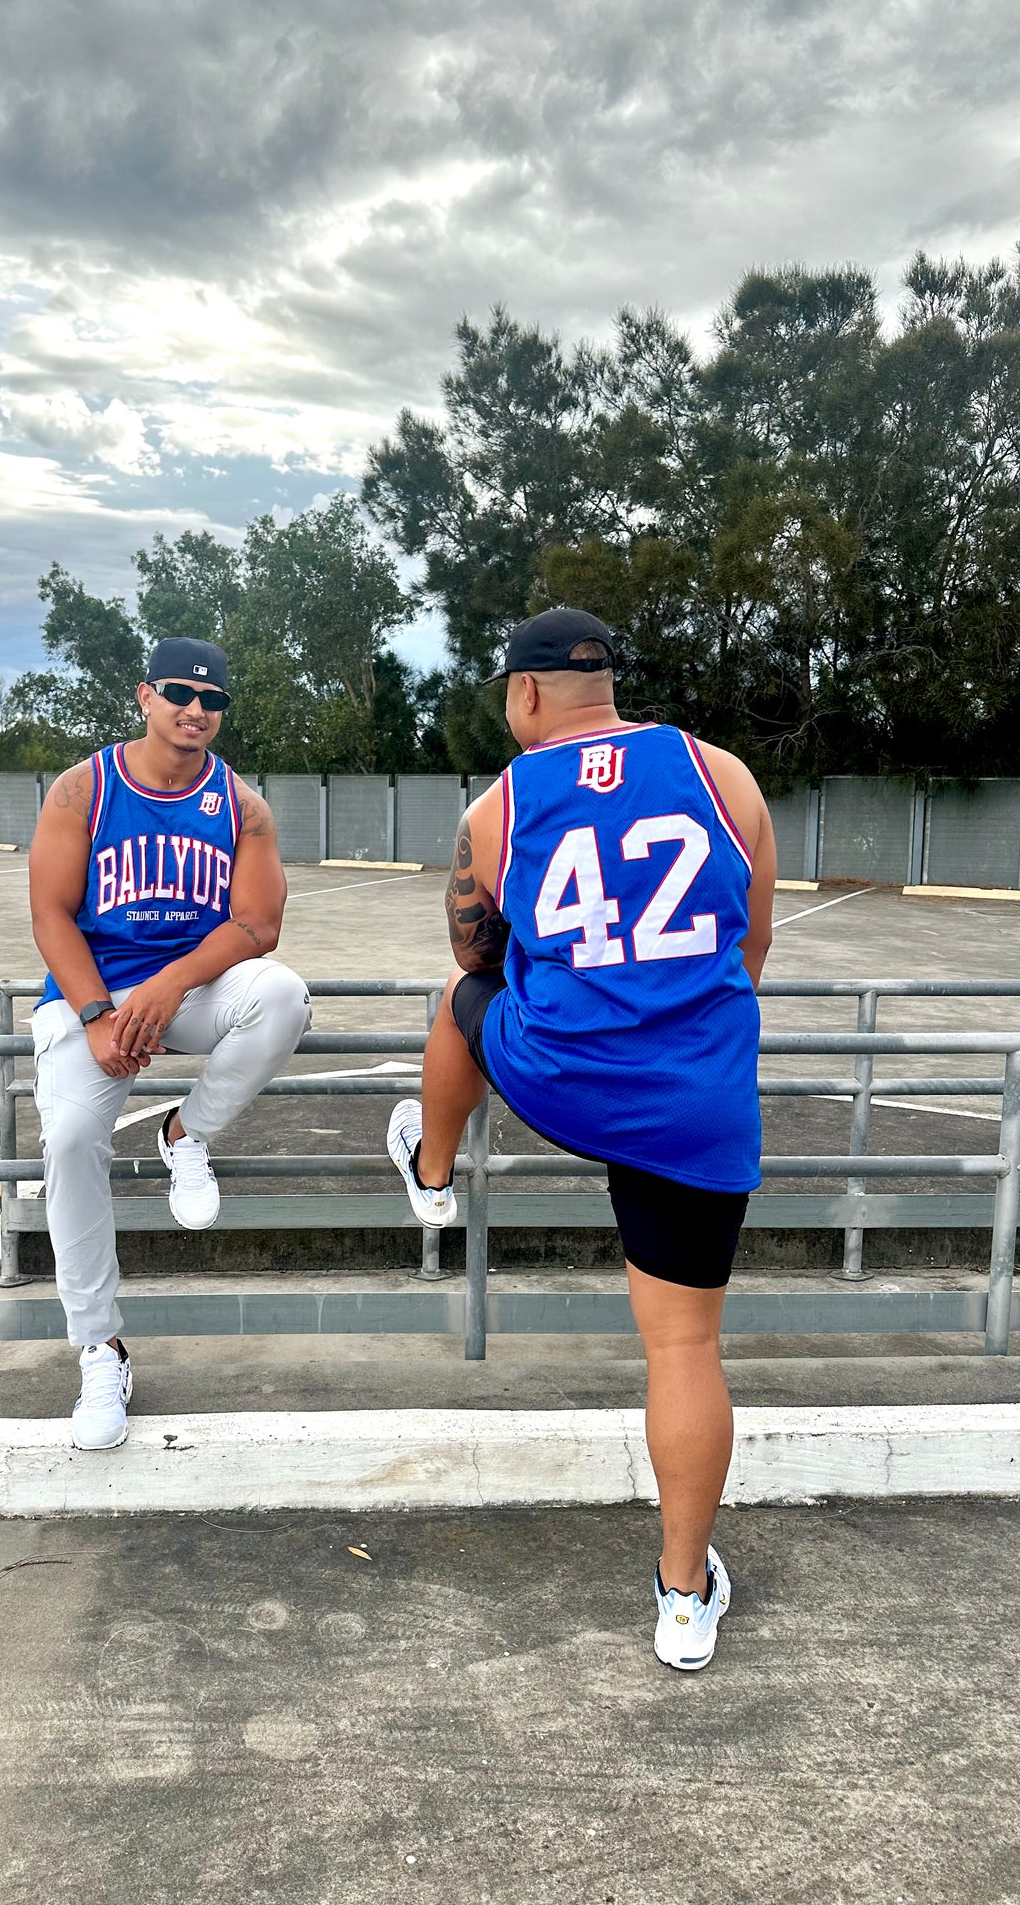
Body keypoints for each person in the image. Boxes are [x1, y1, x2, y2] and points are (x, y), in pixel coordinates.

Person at [387, 608, 775, 1671]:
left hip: (558, 1080)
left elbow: (476, 951)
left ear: (524, 693)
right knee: (683, 1349)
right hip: (692, 1103)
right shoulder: (722, 774)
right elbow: (750, 948)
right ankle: (682, 1598)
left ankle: (431, 1171)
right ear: (607, 682)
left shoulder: (498, 806)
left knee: (460, 998)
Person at [28, 636, 311, 1449]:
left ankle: (186, 1134)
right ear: (144, 696)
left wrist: (170, 984)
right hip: (92, 990)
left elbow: (258, 925)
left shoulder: (241, 806)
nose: (196, 709)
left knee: (282, 996)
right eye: (180, 693)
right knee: (71, 1138)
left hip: (188, 988)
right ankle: (100, 1348)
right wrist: (95, 1014)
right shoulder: (82, 788)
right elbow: (50, 913)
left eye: (212, 699)